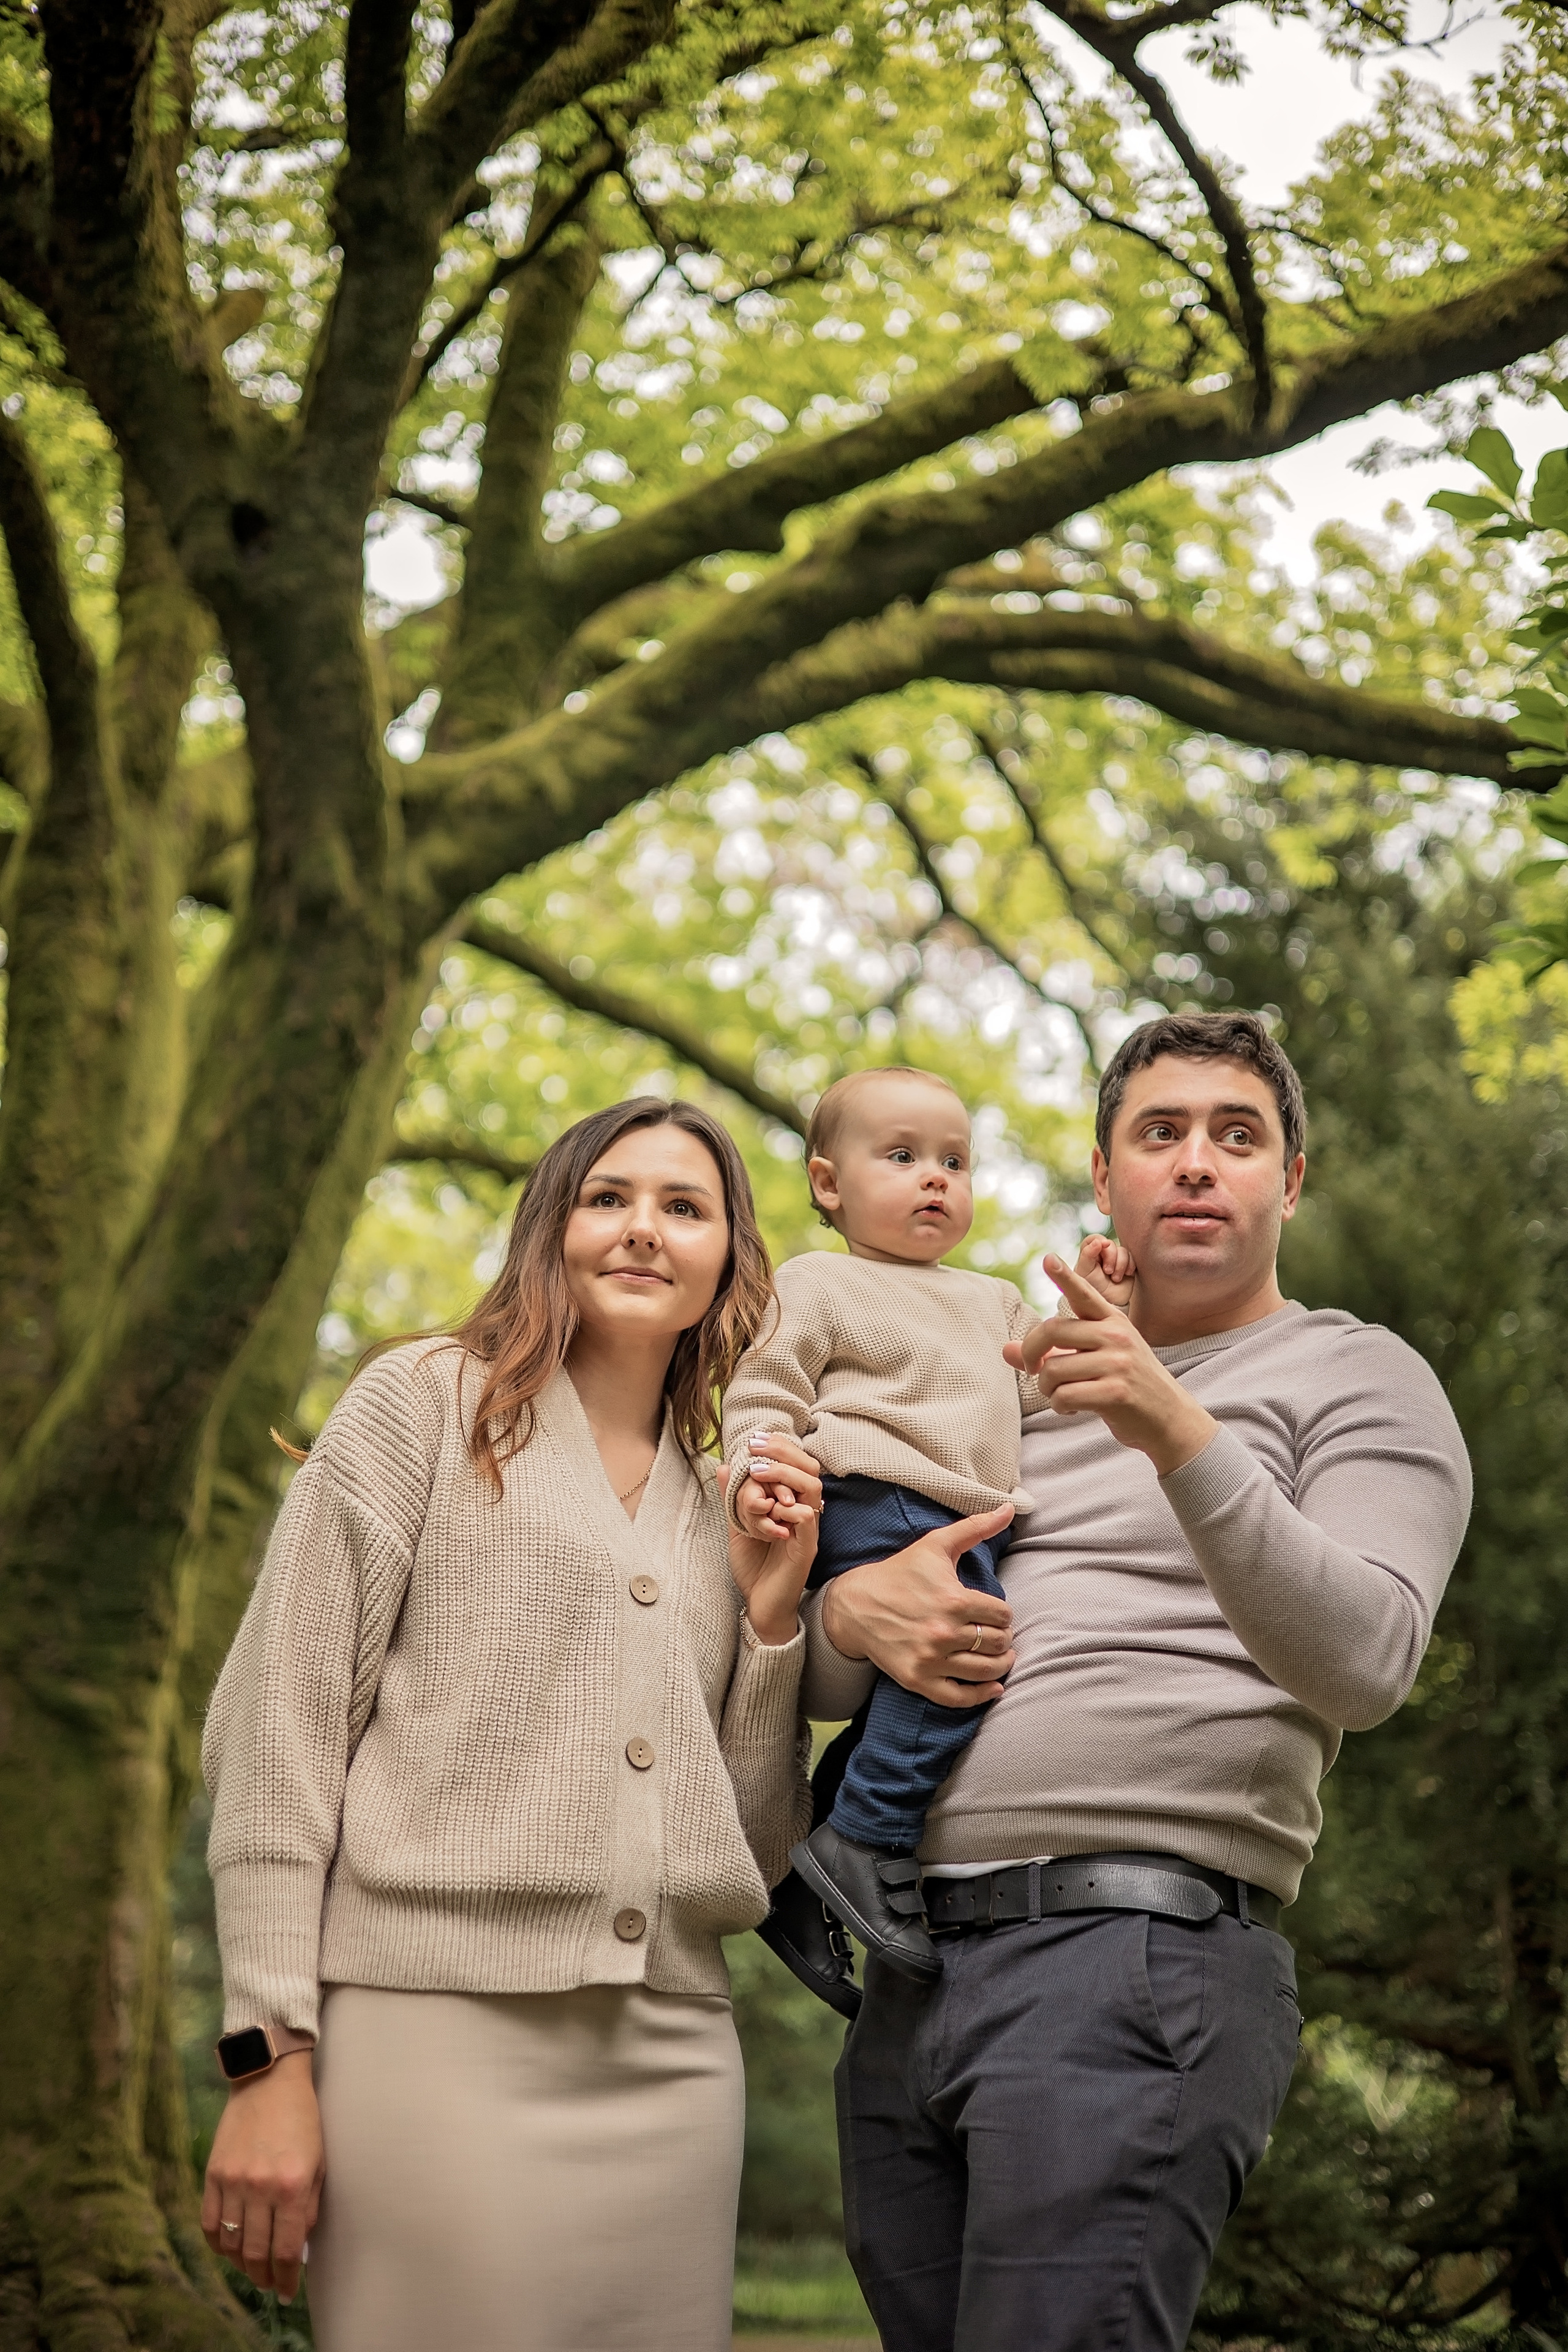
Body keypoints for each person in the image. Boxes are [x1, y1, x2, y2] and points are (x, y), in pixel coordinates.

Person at [803, 1011, 1473, 2352]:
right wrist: (847, 1615)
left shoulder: (1355, 1374)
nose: (1194, 1163)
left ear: (1289, 1181)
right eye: (1156, 1133)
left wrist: (1170, 1421)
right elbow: (828, 1665)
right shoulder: (1010, 1387)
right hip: (910, 1965)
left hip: (1134, 1962)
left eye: (1237, 1137)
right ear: (1101, 1175)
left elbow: (1365, 1660)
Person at [199, 1097, 820, 2352]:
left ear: (726, 1264)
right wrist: (266, 2059)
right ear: (551, 1229)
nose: (644, 1229)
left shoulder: (726, 1508)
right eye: (609, 1198)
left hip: (676, 2060)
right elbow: (277, 1737)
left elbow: (750, 1856)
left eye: (683, 1207)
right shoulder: (421, 1407)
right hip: (430, 2043)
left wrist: (767, 1625)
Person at [723, 1065, 1131, 1991]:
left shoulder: (990, 1300)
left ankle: (803, 1874)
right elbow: (764, 1390)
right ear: (831, 1185)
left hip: (956, 1510)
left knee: (897, 1694)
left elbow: (1044, 1381)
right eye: (903, 1157)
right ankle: (867, 1841)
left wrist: (1105, 1304)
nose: (936, 1178)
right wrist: (760, 1472)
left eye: (955, 1160)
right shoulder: (821, 1281)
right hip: (878, 1492)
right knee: (964, 1638)